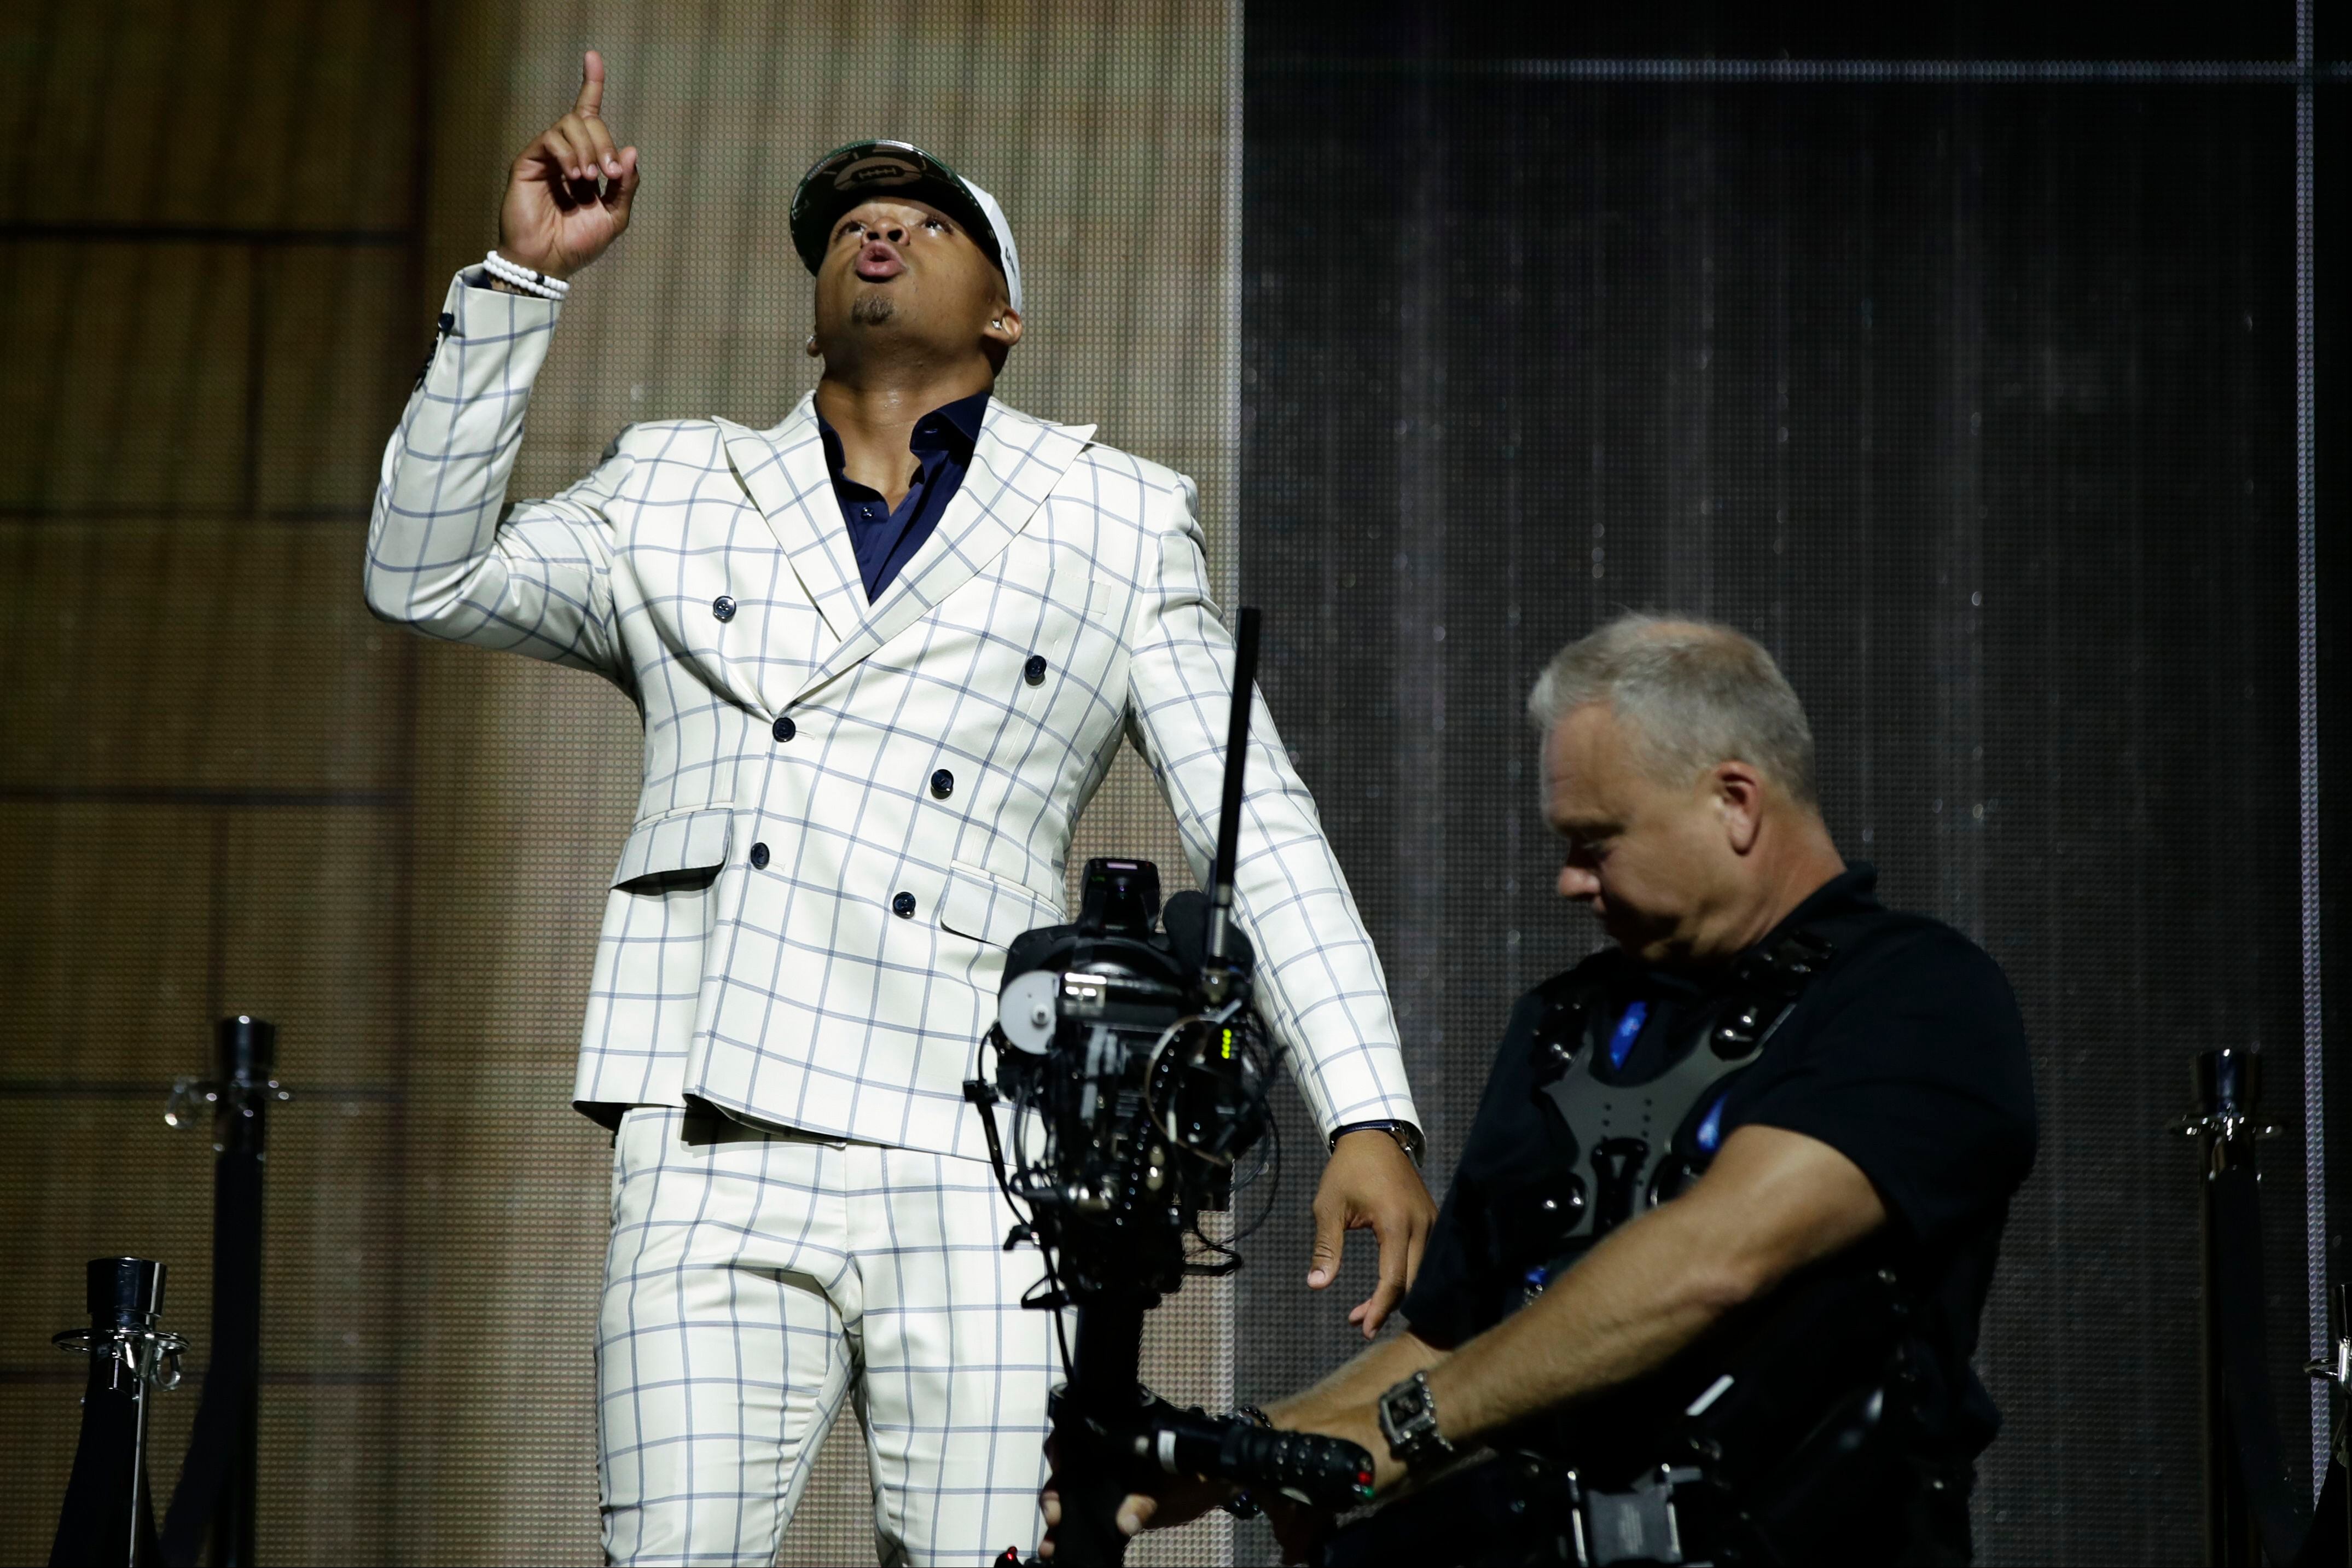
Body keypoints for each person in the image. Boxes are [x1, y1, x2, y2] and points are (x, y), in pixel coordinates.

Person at [364, 52, 1435, 1567]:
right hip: (716, 1147)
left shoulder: (1111, 514)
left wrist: (1367, 1107)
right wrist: (518, 289)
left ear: (1004, 311)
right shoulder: (677, 485)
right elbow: (422, 575)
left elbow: (1254, 822)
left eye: (927, 219)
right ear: (812, 299)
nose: (878, 229)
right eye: (850, 220)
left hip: (984, 1150)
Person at [1050, 613, 2038, 1565]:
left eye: (1597, 841)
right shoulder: (1564, 1022)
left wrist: (1402, 1429)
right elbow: (1454, 1343)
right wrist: (1229, 1456)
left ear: (1735, 801)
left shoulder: (1918, 994)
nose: (1568, 880)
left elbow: (1715, 1255)